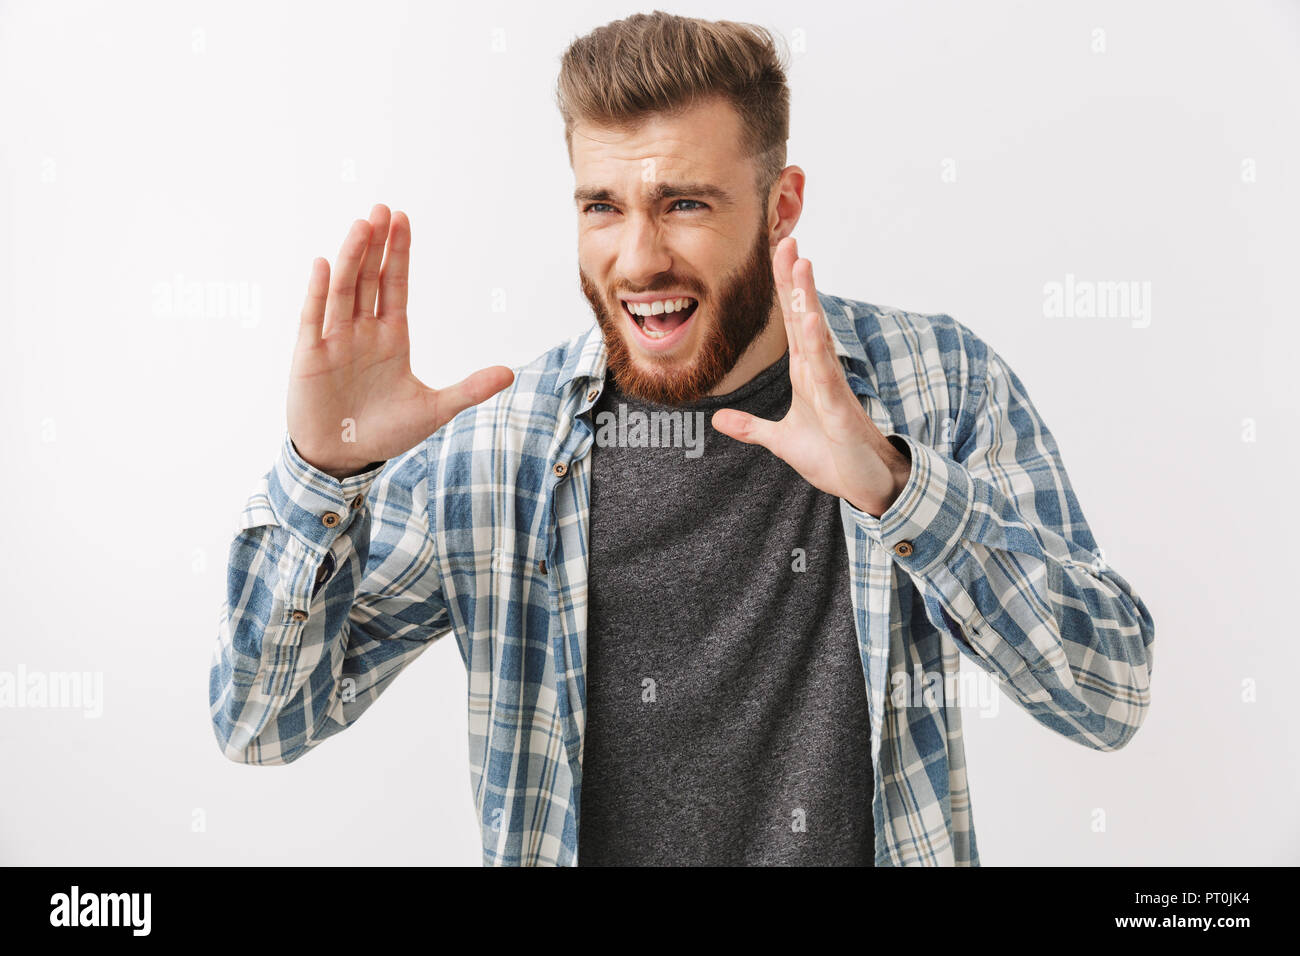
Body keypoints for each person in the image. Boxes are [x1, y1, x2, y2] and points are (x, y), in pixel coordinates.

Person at [209, 11, 1155, 866]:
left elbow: (1108, 695)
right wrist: (323, 474)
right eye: (602, 207)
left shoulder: (939, 383)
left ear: (781, 206)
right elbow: (261, 725)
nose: (639, 257)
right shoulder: (496, 455)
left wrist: (900, 492)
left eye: (685, 204)